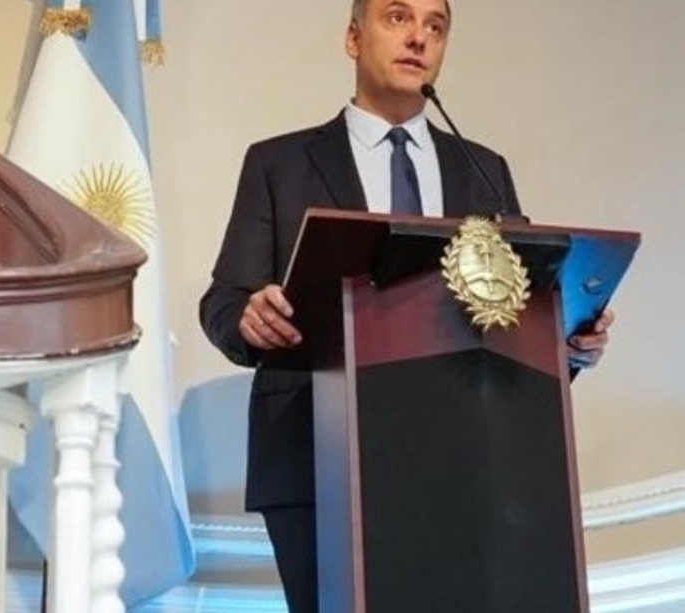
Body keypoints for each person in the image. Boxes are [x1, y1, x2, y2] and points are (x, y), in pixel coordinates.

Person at [199, 0, 613, 611]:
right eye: (397, 17)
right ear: (353, 37)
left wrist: (568, 341)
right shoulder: (279, 163)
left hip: (464, 457)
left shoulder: (483, 170)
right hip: (317, 455)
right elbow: (224, 300)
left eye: (434, 26)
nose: (418, 36)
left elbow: (511, 309)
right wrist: (247, 319)